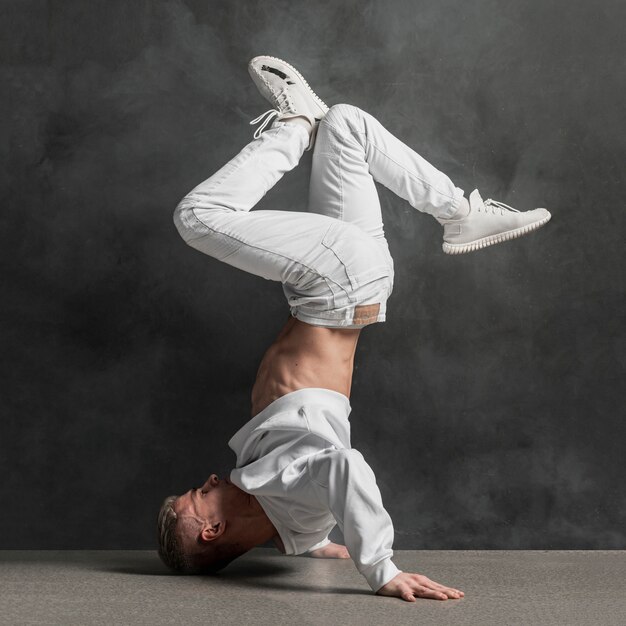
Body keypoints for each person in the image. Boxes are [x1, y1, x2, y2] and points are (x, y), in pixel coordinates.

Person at [157, 55, 551, 602]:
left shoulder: (286, 516)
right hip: (335, 288)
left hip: (345, 286)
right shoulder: (283, 488)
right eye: (198, 497)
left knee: (346, 124)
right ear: (212, 530)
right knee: (198, 216)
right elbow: (343, 466)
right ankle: (295, 125)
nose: (210, 480)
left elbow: (308, 503)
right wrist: (380, 567)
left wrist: (314, 541)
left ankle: (461, 213)